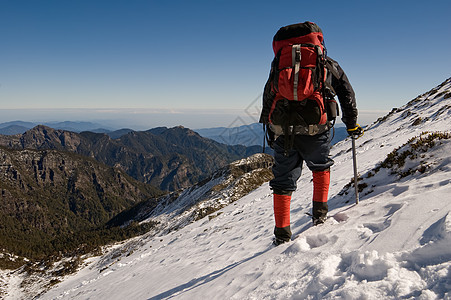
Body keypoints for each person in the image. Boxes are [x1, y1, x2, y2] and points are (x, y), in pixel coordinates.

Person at [259, 22, 363, 245]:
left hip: (284, 132)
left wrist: (269, 125)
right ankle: (320, 215)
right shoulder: (325, 63)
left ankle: (282, 235)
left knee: (282, 182)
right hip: (317, 129)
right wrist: (351, 124)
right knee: (320, 167)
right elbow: (346, 93)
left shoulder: (279, 64)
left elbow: (268, 94)